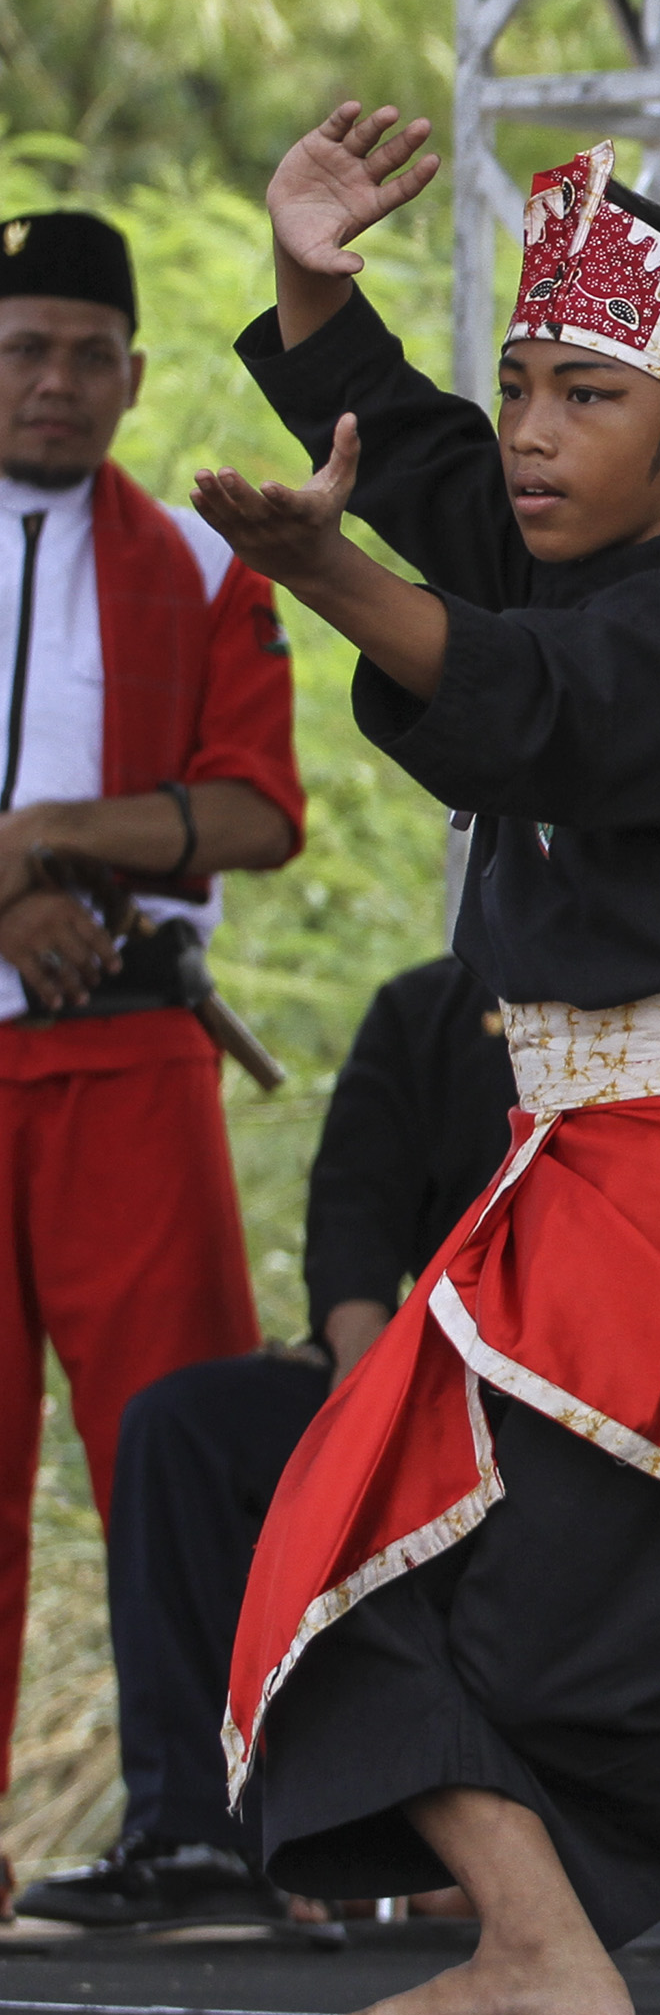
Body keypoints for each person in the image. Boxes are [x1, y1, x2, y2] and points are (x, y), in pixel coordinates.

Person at [191, 101, 660, 2015]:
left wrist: (327, 579)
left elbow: (520, 703)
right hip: (583, 1172)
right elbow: (423, 469)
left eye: (584, 392)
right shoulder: (567, 558)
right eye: (517, 381)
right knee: (366, 1551)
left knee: (565, 1653)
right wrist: (313, 284)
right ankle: (633, 1934)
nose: (525, 427)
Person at [16, 950, 660, 1929]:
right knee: (185, 1428)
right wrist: (367, 1388)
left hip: (651, 1386)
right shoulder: (429, 1008)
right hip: (457, 1372)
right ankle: (197, 1833)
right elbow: (353, 1206)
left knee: (605, 1555)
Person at [0, 205, 308, 1863]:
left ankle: (197, 1827)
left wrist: (54, 831)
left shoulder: (195, 561)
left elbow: (262, 813)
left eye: (87, 354)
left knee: (174, 1448)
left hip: (130, 1057)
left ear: (133, 373)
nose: (56, 381)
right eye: (24, 348)